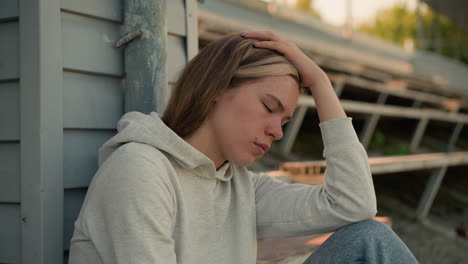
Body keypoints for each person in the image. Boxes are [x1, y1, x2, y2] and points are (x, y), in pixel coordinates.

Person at [69, 31, 418, 263]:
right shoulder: (140, 170)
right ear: (217, 89)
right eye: (269, 107)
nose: (277, 132)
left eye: (284, 122)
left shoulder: (241, 185)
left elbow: (354, 206)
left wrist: (321, 83)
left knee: (370, 240)